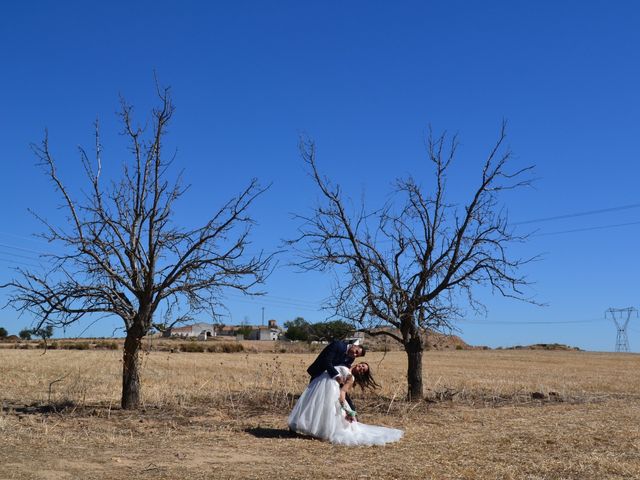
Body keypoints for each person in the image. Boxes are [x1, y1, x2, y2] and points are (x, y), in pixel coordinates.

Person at [288, 362, 404, 446]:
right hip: (321, 383)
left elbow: (342, 392)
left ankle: (318, 432)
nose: (361, 368)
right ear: (359, 363)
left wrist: (346, 409)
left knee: (328, 412)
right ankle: (302, 426)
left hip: (331, 390)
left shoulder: (351, 378)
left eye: (363, 370)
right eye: (362, 366)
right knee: (313, 406)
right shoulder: (345, 363)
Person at [306, 340, 364, 411]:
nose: (355, 355)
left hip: (334, 380)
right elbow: (326, 361)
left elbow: (345, 366)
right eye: (356, 352)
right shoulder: (338, 345)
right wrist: (336, 376)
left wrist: (348, 376)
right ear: (354, 346)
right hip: (319, 374)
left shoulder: (351, 358)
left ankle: (352, 413)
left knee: (341, 395)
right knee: (313, 398)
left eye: (357, 356)